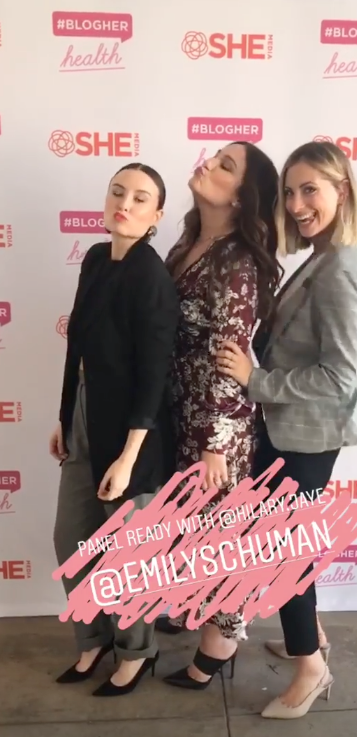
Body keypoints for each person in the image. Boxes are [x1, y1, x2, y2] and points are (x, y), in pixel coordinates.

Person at [216, 140, 357, 718]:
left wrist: (255, 381)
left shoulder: (342, 268)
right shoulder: (324, 255)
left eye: (311, 190)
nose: (297, 204)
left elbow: (338, 378)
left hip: (307, 435)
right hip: (293, 430)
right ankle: (312, 636)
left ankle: (310, 668)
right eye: (289, 191)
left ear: (342, 191)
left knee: (284, 553)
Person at [51, 162, 179, 697]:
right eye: (117, 192)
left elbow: (154, 376)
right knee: (71, 540)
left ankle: (136, 652)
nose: (124, 203)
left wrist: (128, 458)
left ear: (156, 216)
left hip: (133, 435)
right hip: (86, 417)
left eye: (140, 198)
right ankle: (94, 639)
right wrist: (64, 416)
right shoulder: (95, 258)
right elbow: (76, 346)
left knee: (128, 557)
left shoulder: (152, 276)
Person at [158, 141, 283, 690]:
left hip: (216, 427)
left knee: (218, 539)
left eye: (226, 166)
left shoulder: (236, 261)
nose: (208, 162)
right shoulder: (189, 240)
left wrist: (213, 442)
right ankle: (195, 609)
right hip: (178, 413)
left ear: (240, 198)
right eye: (216, 156)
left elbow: (226, 361)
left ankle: (220, 645)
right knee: (188, 530)